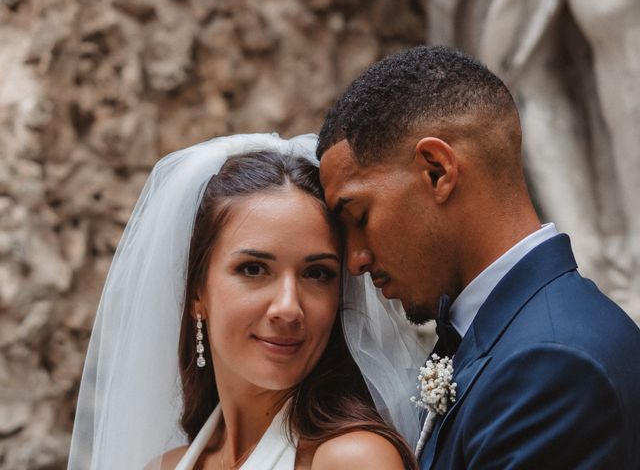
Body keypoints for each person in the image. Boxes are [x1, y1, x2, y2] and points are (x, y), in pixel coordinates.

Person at [317, 46, 640, 469]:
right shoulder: (506, 335)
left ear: (437, 171)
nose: (355, 260)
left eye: (359, 216)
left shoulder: (552, 365)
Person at [67, 134, 425, 469]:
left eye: (317, 274)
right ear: (197, 293)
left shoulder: (351, 460)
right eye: (254, 269)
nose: (288, 307)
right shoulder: (168, 465)